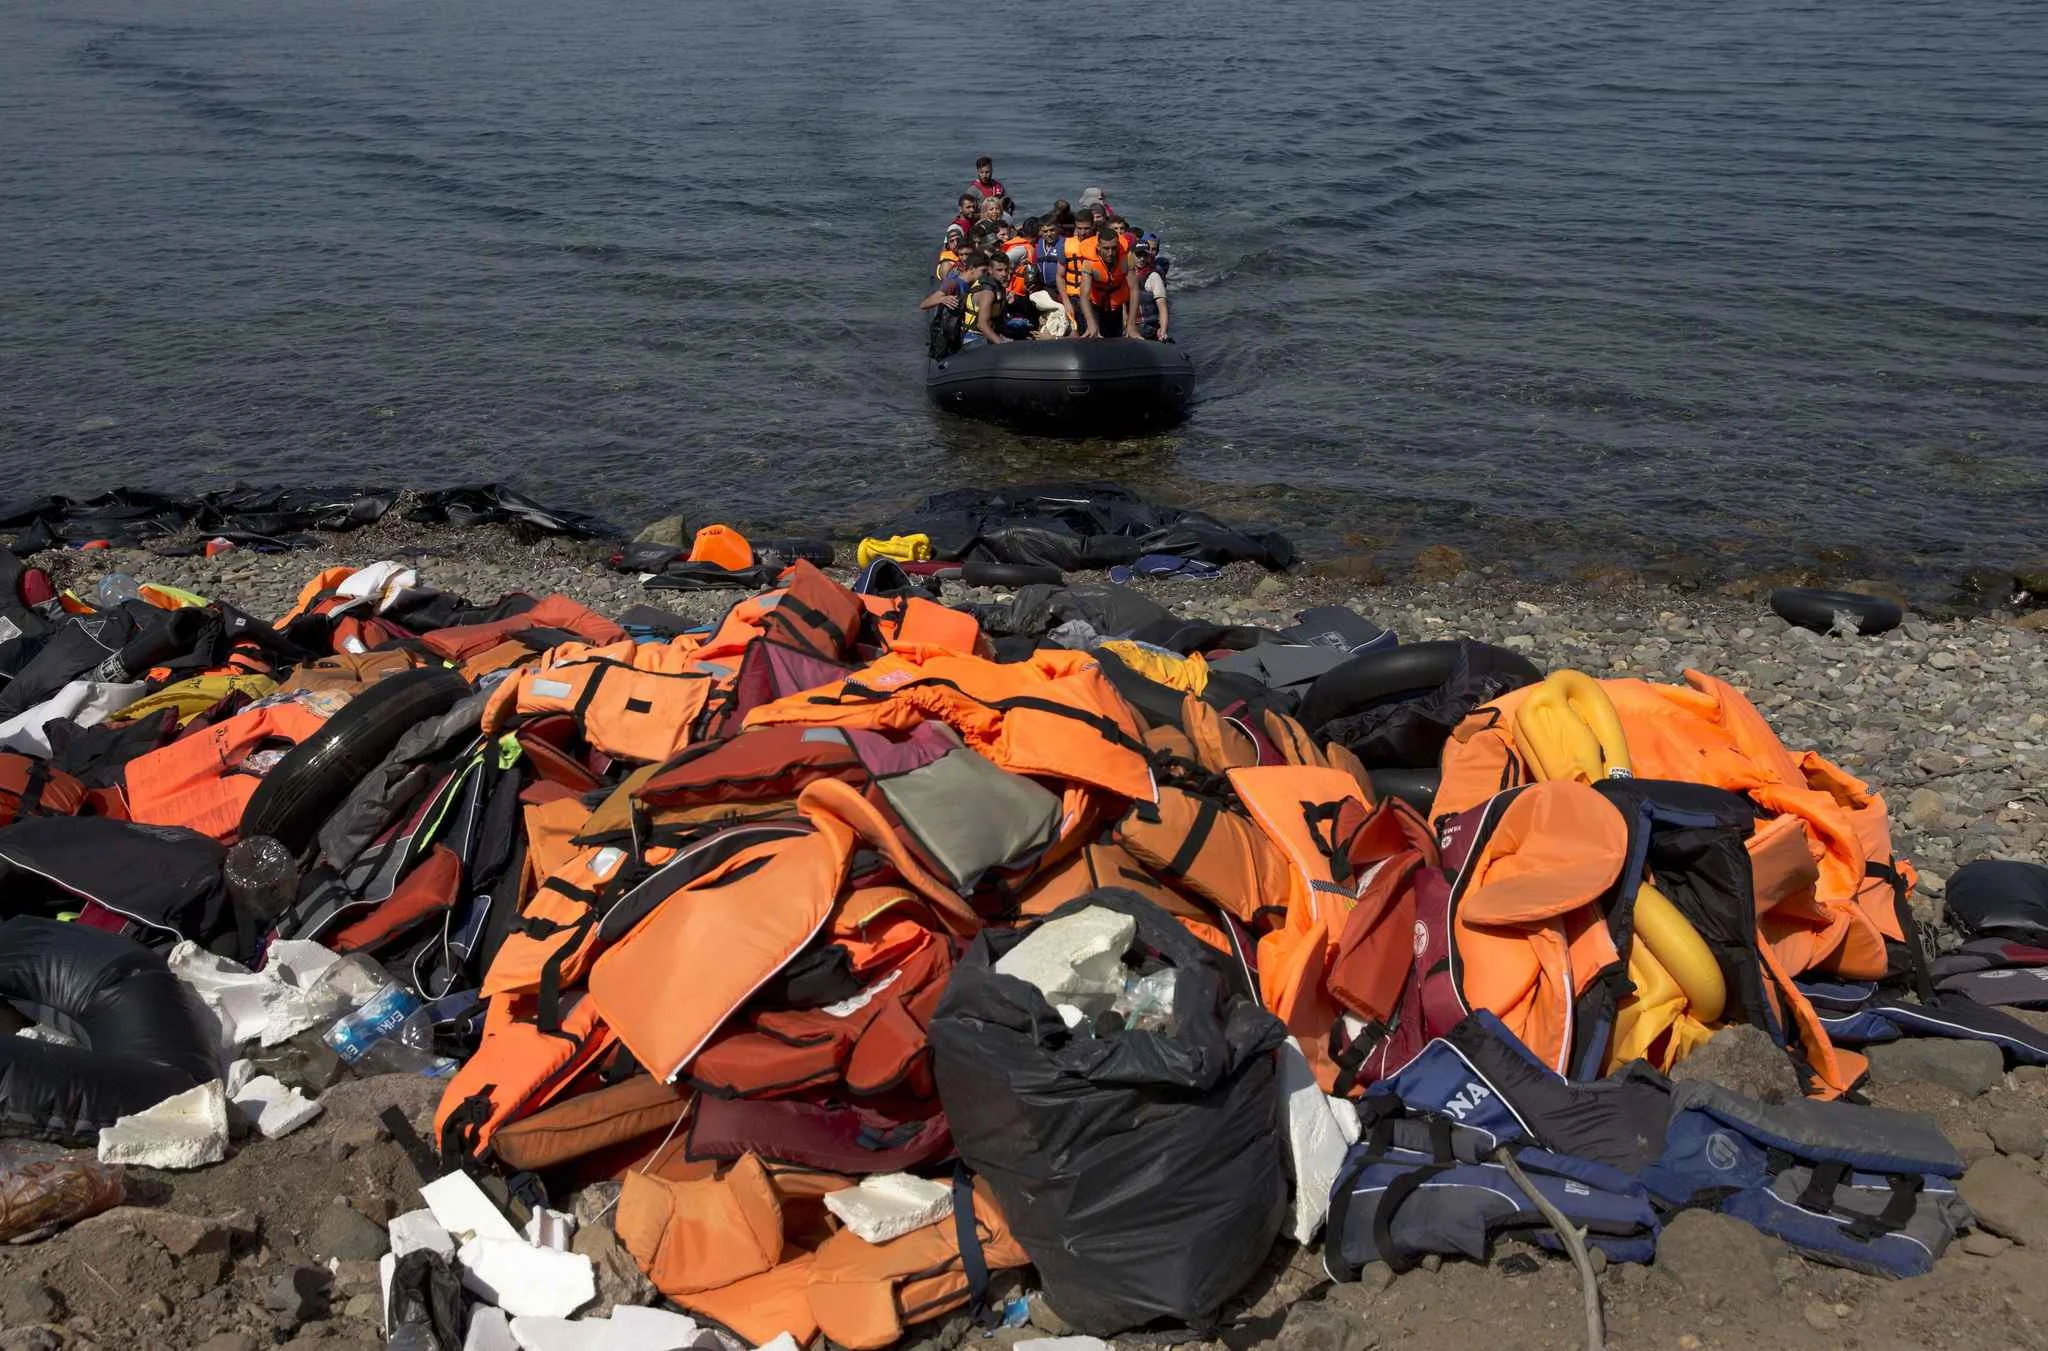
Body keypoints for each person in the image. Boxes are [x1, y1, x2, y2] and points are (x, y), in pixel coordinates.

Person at [1075, 231, 1133, 339]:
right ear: (1098, 246)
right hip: (1094, 305)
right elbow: (1084, 295)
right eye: (1106, 248)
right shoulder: (1088, 263)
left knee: (1115, 338)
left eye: (1114, 248)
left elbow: (1134, 290)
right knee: (1092, 336)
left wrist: (1131, 325)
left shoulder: (1127, 258)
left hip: (1115, 306)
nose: (1110, 253)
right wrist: (1091, 324)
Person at [1060, 215, 1100, 321]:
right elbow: (1059, 276)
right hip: (1073, 297)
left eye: (1086, 228)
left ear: (1093, 226)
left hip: (1095, 298)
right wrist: (1066, 301)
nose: (1082, 232)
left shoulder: (1101, 243)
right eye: (1079, 228)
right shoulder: (1066, 244)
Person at [1132, 234, 1170, 341]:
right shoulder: (1124, 275)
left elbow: (1162, 306)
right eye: (1138, 255)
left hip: (1147, 327)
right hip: (1128, 325)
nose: (1142, 259)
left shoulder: (1154, 276)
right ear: (1131, 255)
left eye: (1145, 255)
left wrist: (1163, 330)